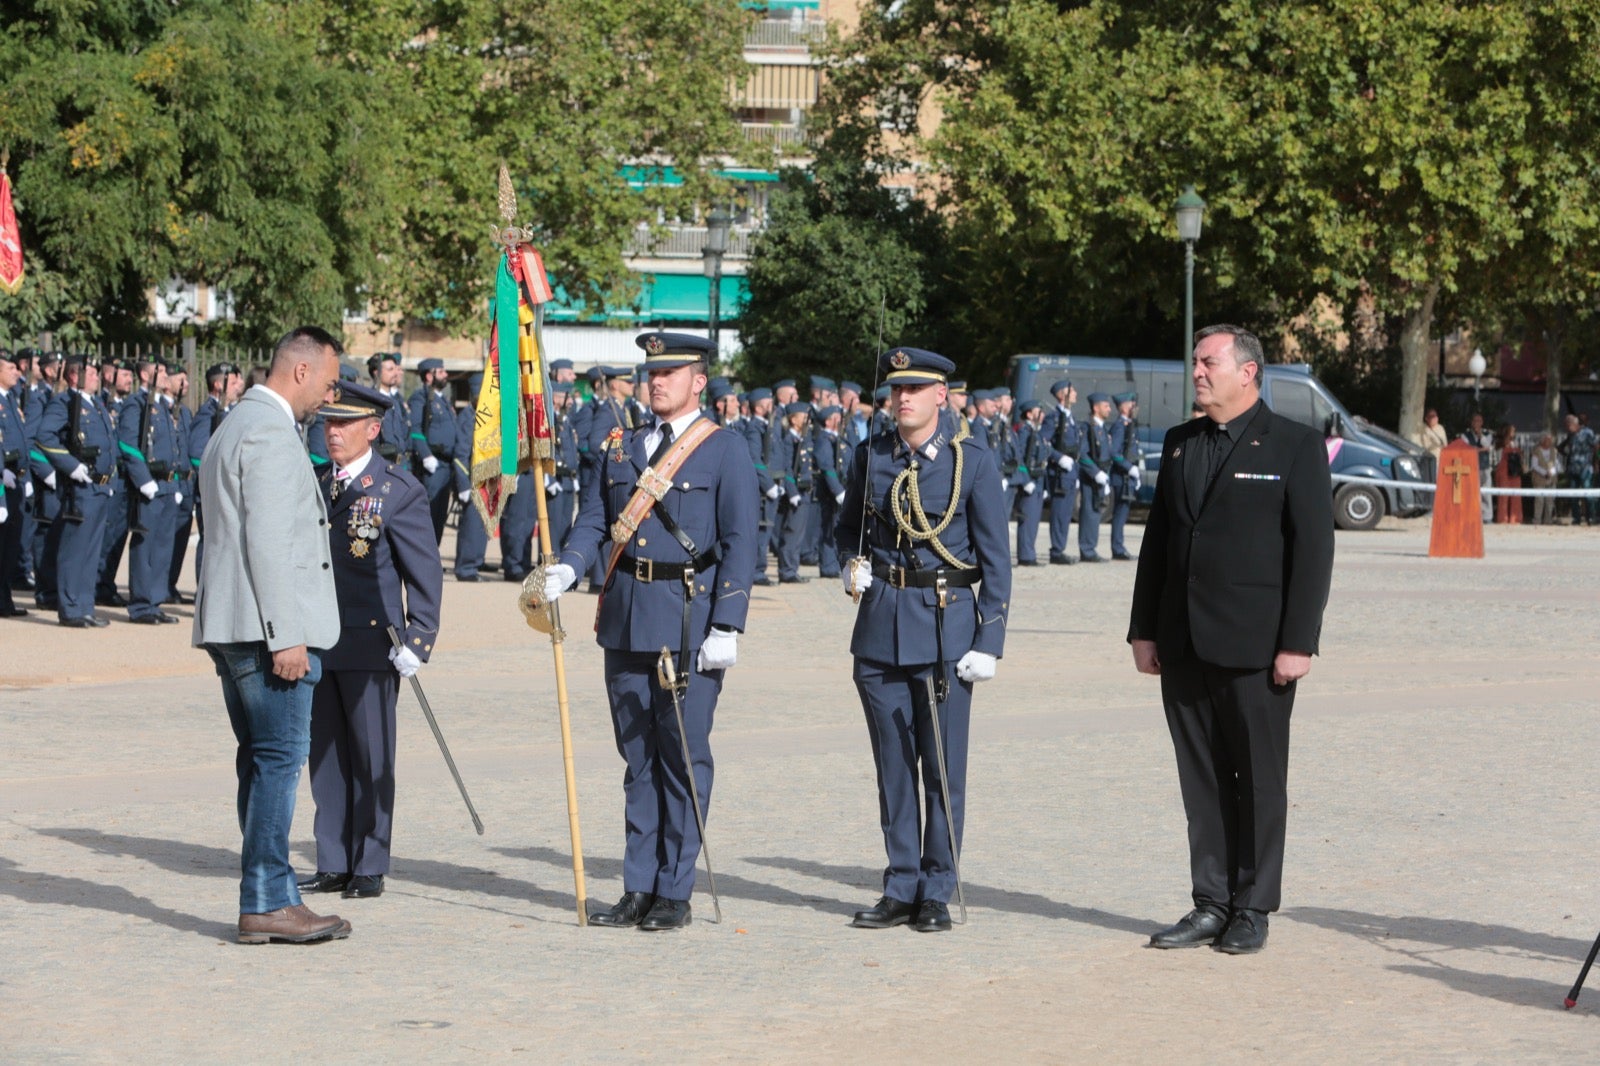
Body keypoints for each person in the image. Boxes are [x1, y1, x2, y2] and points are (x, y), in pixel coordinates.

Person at [1128, 325, 1334, 955]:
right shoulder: (1180, 443)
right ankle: (1210, 901)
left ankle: (1253, 905)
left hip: (1257, 647)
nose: (1196, 371)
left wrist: (1297, 642)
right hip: (1184, 640)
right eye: (1195, 361)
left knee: (1259, 781)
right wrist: (1143, 629)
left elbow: (1313, 553)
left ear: (1247, 372)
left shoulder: (1295, 446)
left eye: (1207, 361)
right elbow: (1159, 542)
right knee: (1202, 780)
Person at [543, 331, 757, 931]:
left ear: (698, 381)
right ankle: (638, 885)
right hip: (626, 615)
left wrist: (728, 623)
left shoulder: (723, 450)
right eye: (651, 371)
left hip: (688, 620)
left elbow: (741, 542)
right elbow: (594, 520)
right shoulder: (621, 446)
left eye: (672, 372)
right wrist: (570, 564)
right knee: (636, 759)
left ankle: (674, 889)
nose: (657, 381)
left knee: (681, 758)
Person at [835, 346, 1011, 933]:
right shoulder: (870, 456)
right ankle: (901, 882)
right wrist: (848, 564)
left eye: (914, 389)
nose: (901, 399)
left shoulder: (972, 462)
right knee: (892, 768)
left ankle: (937, 886)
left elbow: (995, 560)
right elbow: (845, 531)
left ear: (942, 395)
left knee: (940, 767)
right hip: (881, 628)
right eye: (895, 390)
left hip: (945, 631)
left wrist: (990, 639)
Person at [192, 325, 350, 945]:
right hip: (267, 631)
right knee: (279, 762)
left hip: (235, 622)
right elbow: (267, 541)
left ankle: (275, 893)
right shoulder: (269, 432)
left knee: (260, 761)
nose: (329, 396)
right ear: (302, 371)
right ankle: (265, 898)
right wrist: (287, 635)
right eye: (330, 381)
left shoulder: (236, 422)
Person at [298, 381, 442, 901]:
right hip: (318, 640)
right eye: (328, 424)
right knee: (326, 755)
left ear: (372, 430)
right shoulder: (315, 482)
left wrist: (420, 637)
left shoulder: (398, 490)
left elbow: (423, 570)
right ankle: (333, 859)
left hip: (372, 641)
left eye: (344, 425)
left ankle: (370, 861)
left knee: (371, 754)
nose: (332, 433)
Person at [36, 355, 120, 627]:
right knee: (75, 549)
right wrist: (70, 466)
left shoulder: (95, 404)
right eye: (93, 372)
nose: (97, 376)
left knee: (90, 550)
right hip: (79, 487)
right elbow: (45, 436)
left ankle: (85, 605)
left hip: (99, 486)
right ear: (74, 376)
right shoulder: (64, 403)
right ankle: (71, 608)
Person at [116, 358, 185, 625]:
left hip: (168, 484)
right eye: (162, 372)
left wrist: (175, 483)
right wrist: (143, 479)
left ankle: (155, 601)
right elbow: (128, 443)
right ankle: (141, 604)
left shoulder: (162, 406)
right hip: (150, 484)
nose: (168, 376)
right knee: (146, 546)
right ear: (145, 375)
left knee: (163, 546)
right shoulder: (137, 404)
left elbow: (174, 447)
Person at [408, 357, 458, 542]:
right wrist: (426, 455)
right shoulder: (420, 397)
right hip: (433, 465)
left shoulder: (443, 400)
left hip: (446, 464)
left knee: (440, 515)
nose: (446, 375)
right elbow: (415, 428)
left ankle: (433, 557)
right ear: (429, 376)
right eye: (441, 371)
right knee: (428, 514)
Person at [0, 350, 29, 617]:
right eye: (10, 367)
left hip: (15, 481)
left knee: (10, 546)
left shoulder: (10, 399)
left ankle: (4, 598)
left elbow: (22, 440)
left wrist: (26, 475)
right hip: (2, 481)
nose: (16, 372)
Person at [1040, 380, 1079, 564]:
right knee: (1059, 513)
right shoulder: (1053, 418)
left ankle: (1060, 548)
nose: (1075, 394)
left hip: (1070, 474)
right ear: (1063, 395)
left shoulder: (1070, 417)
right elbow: (1043, 443)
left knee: (1066, 514)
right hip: (1059, 474)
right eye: (1072, 391)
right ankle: (1056, 550)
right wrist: (1058, 457)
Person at [1075, 392, 1114, 562]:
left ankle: (1091, 547)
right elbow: (1082, 454)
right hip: (1092, 477)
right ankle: (1087, 549)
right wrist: (1095, 472)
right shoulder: (1088, 428)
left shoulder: (1101, 428)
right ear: (1096, 407)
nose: (1109, 410)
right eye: (1106, 406)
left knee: (1096, 512)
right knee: (1089, 512)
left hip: (1101, 474)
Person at [1107, 391, 1144, 560]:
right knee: (1120, 513)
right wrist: (1129, 468)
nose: (1134, 407)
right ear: (1122, 407)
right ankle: (1117, 548)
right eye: (1131, 404)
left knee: (1123, 512)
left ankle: (1119, 546)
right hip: (1121, 476)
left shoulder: (1129, 425)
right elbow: (1114, 452)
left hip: (1127, 476)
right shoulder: (1120, 426)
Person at [1013, 400, 1048, 565]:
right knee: (1027, 519)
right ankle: (1026, 555)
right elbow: (1019, 458)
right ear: (1029, 414)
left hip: (1039, 481)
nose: (1042, 415)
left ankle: (1029, 553)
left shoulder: (1036, 431)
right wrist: (1026, 480)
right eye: (1038, 411)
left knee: (1033, 520)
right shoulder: (1024, 432)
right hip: (1030, 481)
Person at [1560, 413, 1596, 526]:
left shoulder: (1588, 433)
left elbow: (1596, 447)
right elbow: (1564, 449)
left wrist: (1596, 462)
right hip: (1573, 469)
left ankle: (1590, 518)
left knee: (1588, 493)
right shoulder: (1571, 435)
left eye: (1568, 425)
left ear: (1574, 424)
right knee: (1573, 494)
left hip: (1585, 468)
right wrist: (1567, 455)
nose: (1567, 428)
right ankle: (1576, 518)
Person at [1459, 412, 1494, 523]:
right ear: (1471, 422)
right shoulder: (1465, 435)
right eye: (1475, 421)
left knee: (1486, 493)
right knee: (1471, 492)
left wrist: (1480, 436)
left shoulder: (1488, 434)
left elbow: (1488, 446)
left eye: (1479, 421)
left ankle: (1487, 517)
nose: (1477, 423)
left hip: (1485, 467)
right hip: (1471, 467)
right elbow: (1466, 449)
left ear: (1482, 422)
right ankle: (1472, 516)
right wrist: (1481, 449)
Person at [1491, 423, 1523, 525]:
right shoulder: (1499, 444)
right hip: (1503, 472)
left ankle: (1516, 518)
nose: (1514, 433)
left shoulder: (1517, 443)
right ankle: (1502, 519)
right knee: (1503, 497)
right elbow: (1496, 459)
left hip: (1515, 473)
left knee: (1516, 496)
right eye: (1512, 431)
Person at [1528, 431, 1561, 526]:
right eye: (1547, 440)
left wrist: (1552, 472)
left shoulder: (1554, 451)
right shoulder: (1536, 450)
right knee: (1539, 500)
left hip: (1552, 479)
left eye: (1551, 440)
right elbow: (1534, 465)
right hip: (1539, 479)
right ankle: (1537, 520)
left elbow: (1558, 465)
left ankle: (1548, 520)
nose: (1550, 442)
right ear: (1542, 440)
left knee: (1550, 501)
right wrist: (1545, 473)